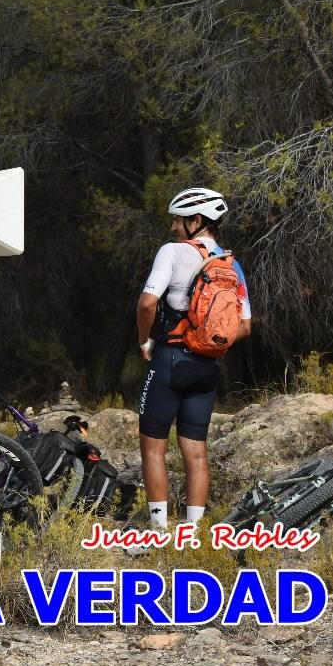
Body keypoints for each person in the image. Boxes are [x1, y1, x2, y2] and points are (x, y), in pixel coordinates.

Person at [134, 187, 251, 534]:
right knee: (196, 451)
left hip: (170, 359)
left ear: (196, 221)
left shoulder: (172, 252)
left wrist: (145, 341)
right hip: (207, 368)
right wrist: (207, 339)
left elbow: (146, 304)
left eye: (178, 219)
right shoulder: (231, 264)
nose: (173, 226)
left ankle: (158, 531)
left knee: (153, 447)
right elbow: (244, 326)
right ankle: (192, 533)